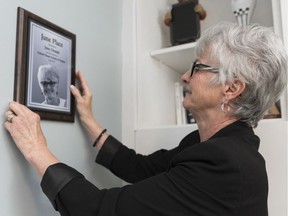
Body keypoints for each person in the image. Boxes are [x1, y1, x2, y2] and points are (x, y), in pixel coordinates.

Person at [4, 22, 287, 216]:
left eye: (197, 67)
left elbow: (98, 210)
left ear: (232, 88)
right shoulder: (208, 144)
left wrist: (36, 149)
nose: (185, 76)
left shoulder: (225, 163)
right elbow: (141, 168)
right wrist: (89, 120)